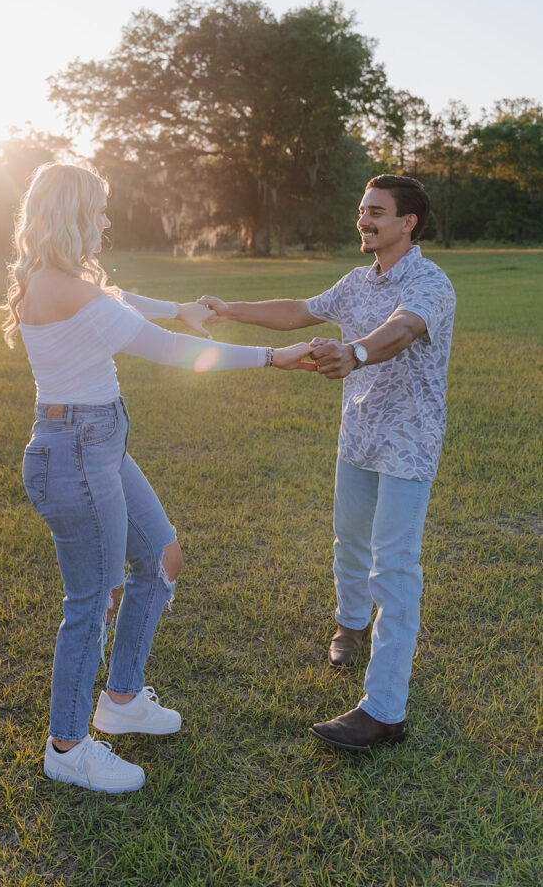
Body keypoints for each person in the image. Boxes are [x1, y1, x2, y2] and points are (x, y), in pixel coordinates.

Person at [3, 162, 315, 793]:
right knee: (92, 603)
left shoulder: (63, 277)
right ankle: (66, 746)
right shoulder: (66, 288)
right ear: (72, 214)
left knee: (162, 557)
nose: (107, 220)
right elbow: (167, 351)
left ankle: (120, 700)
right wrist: (274, 356)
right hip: (76, 452)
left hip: (99, 443)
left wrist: (180, 307)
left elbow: (121, 302)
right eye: (99, 209)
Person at [200, 174, 456, 754]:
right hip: (359, 436)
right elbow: (300, 310)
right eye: (361, 210)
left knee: (394, 566)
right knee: (348, 542)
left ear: (407, 222)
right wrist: (229, 307)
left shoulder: (430, 282)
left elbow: (404, 330)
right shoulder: (356, 281)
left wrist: (356, 351)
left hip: (409, 442)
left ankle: (385, 711)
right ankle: (350, 623)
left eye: (376, 212)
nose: (363, 220)